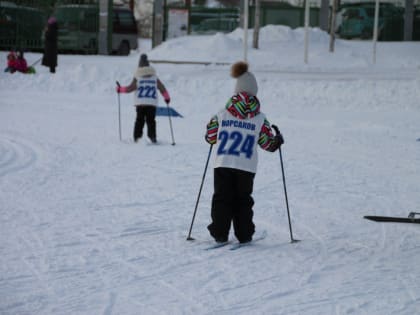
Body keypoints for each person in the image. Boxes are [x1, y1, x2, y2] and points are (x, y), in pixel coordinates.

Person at [205, 61, 284, 244]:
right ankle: (244, 233)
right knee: (243, 200)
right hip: (246, 166)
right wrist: (277, 140)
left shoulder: (222, 114)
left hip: (223, 163)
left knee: (222, 198)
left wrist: (212, 132)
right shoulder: (260, 119)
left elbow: (210, 137)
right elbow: (267, 144)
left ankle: (219, 232)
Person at [116, 54, 171, 143]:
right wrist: (167, 98)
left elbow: (130, 88)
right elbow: (162, 88)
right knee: (151, 121)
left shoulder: (137, 77)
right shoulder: (154, 77)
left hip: (140, 103)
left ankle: (137, 137)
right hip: (152, 103)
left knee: (139, 120)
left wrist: (120, 89)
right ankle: (152, 137)